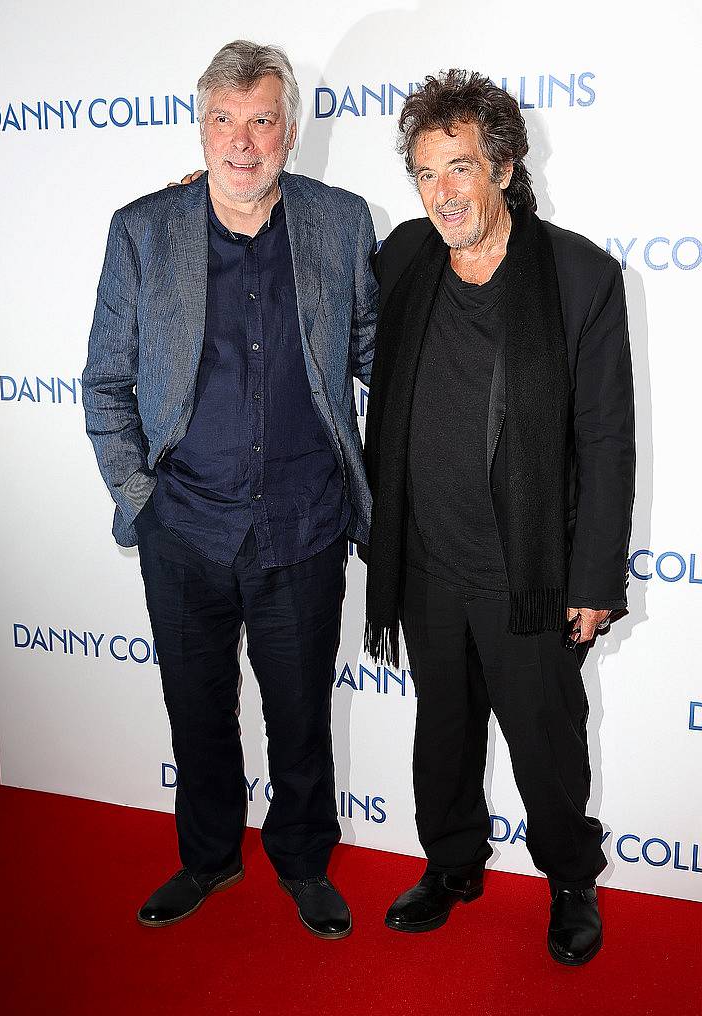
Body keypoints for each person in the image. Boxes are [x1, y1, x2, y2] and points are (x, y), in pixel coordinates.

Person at [82, 39, 377, 939]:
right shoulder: (142, 229)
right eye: (223, 120)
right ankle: (207, 859)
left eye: (259, 120)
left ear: (290, 129)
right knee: (196, 713)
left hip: (305, 525)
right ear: (200, 127)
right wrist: (141, 494)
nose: (241, 142)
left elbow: (373, 355)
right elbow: (105, 384)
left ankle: (301, 862)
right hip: (185, 532)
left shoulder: (341, 222)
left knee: (301, 719)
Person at [363, 70, 634, 965]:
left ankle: (568, 881)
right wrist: (201, 205)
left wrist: (594, 577)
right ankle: (451, 865)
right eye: (425, 173)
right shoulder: (402, 258)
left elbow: (605, 440)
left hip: (529, 574)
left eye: (460, 168)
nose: (442, 193)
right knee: (440, 731)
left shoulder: (580, 277)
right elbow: (311, 281)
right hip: (426, 559)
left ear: (505, 167)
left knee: (546, 747)